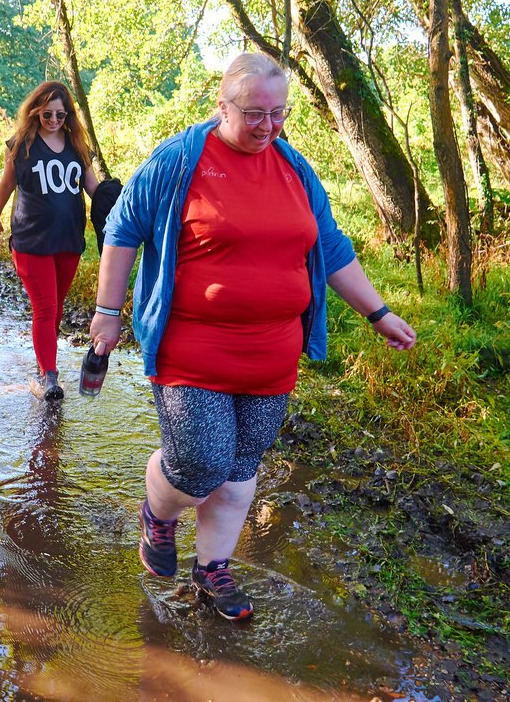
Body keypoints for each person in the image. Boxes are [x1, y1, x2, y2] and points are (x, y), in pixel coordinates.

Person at [88, 52, 416, 620]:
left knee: (240, 473)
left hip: (272, 357)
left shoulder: (295, 169)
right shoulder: (181, 160)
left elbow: (330, 248)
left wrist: (378, 313)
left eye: (278, 113)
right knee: (200, 464)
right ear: (222, 106)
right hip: (193, 351)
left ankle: (212, 568)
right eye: (253, 113)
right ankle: (159, 512)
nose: (267, 126)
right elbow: (122, 227)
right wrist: (107, 311)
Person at [0, 82, 100, 400]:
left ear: (68, 116)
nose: (53, 120)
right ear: (36, 110)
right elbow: (7, 183)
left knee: (56, 309)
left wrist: (120, 204)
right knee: (46, 308)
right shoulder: (22, 144)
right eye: (47, 113)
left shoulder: (77, 145)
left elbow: (94, 189)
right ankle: (49, 376)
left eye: (60, 115)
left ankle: (43, 368)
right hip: (31, 240)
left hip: (68, 240)